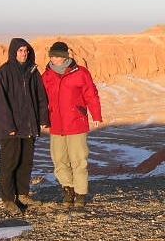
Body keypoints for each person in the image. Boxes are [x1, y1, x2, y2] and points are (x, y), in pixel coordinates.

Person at [0, 38, 49, 214]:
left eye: (26, 50)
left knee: (25, 162)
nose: (24, 54)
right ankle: (8, 199)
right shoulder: (4, 73)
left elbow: (41, 96)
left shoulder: (32, 71)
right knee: (10, 163)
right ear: (13, 52)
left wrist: (43, 118)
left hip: (28, 126)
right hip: (12, 129)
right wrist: (8, 125)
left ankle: (22, 194)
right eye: (20, 51)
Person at [42, 41, 102, 208]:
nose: (54, 58)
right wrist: (42, 118)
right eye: (52, 55)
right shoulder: (46, 75)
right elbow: (41, 99)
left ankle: (81, 194)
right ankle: (68, 189)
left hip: (76, 124)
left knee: (79, 160)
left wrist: (96, 114)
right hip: (56, 125)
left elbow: (91, 94)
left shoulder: (80, 73)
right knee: (59, 160)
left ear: (65, 56)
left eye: (58, 55)